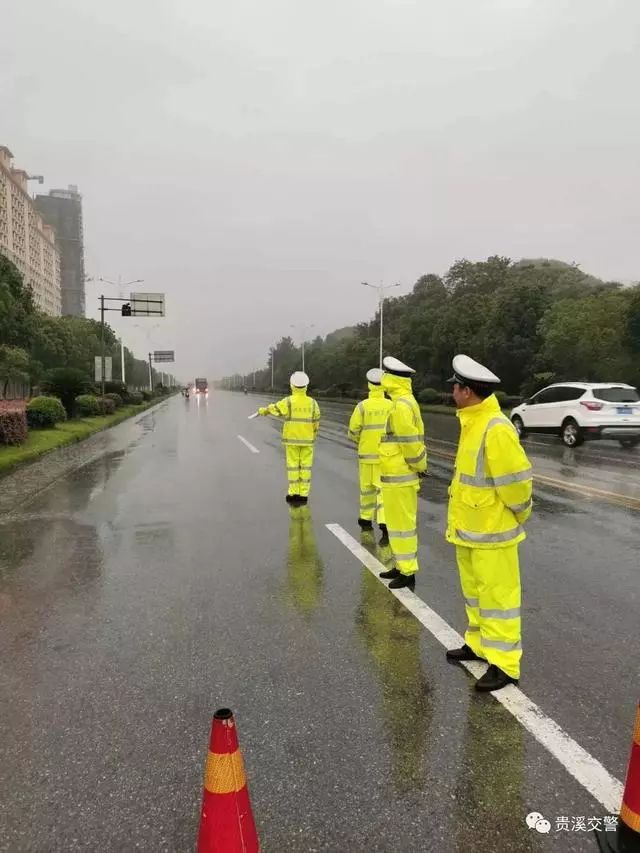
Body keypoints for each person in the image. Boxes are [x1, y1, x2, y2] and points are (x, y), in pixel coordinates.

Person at [445, 354, 533, 692]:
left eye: (455, 386)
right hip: (470, 530)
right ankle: (479, 646)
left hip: (493, 533)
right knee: (476, 595)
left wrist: (519, 513)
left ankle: (505, 664)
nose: (452, 390)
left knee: (499, 601)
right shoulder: (472, 421)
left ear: (467, 391)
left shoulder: (496, 428)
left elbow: (516, 483)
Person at [377, 356, 427, 590]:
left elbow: (410, 443)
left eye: (386, 374)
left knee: (404, 527)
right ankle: (400, 565)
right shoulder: (401, 402)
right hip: (394, 477)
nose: (382, 378)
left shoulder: (402, 406)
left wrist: (419, 466)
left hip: (402, 477)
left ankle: (408, 572)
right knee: (396, 526)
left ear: (393, 379)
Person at [258, 371, 320, 504]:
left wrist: (264, 410)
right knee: (306, 468)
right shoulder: (313, 403)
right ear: (306, 386)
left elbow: (275, 409)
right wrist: (312, 435)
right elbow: (316, 422)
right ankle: (303, 494)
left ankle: (293, 493)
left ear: (292, 385)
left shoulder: (288, 402)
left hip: (292, 440)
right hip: (308, 441)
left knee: (293, 467)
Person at [348, 368, 393, 542]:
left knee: (366, 489)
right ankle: (384, 525)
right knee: (383, 491)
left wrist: (361, 441)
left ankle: (365, 520)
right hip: (386, 456)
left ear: (369, 385)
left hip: (366, 455)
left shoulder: (362, 406)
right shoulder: (392, 405)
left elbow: (353, 430)